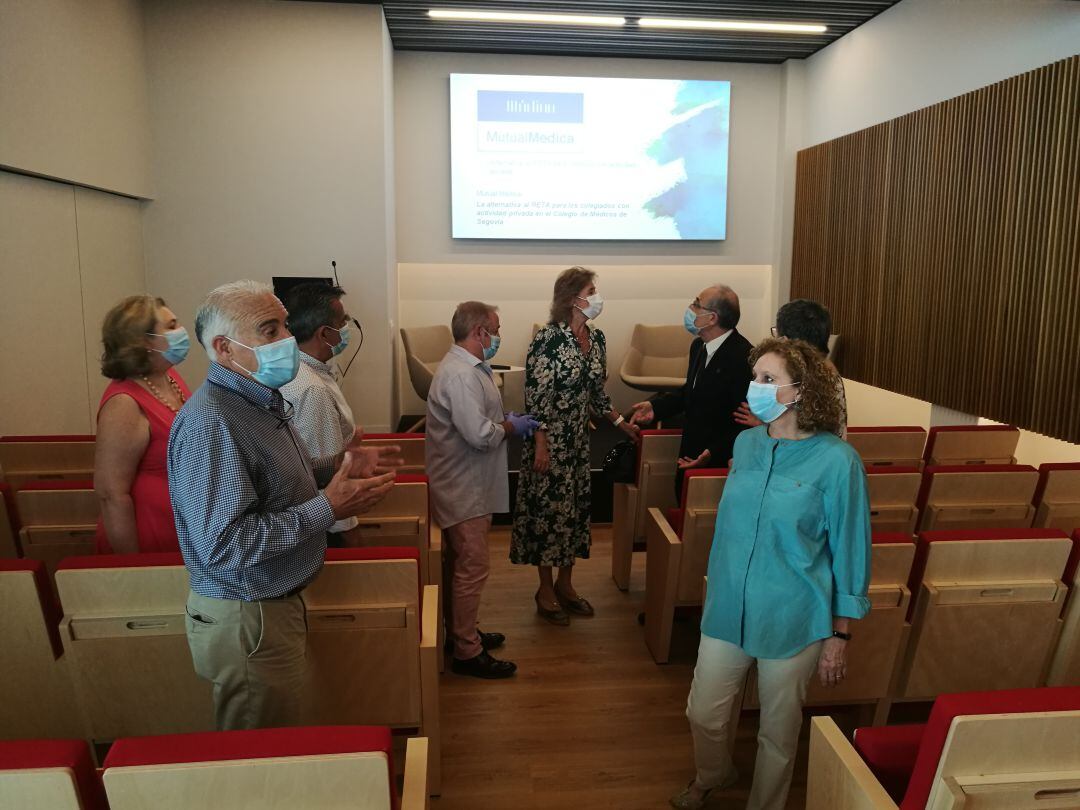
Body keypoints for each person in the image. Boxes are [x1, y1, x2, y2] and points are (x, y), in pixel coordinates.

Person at [169, 280, 400, 731]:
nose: (288, 342)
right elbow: (224, 545)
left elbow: (276, 481)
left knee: (280, 738)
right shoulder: (212, 420)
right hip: (247, 612)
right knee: (260, 759)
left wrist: (338, 465)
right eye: (269, 330)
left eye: (285, 328)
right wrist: (327, 508)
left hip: (269, 605)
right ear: (225, 349)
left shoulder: (255, 400)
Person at [671, 337, 871, 810]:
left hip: (794, 614)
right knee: (704, 713)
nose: (754, 387)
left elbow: (851, 549)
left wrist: (839, 635)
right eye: (754, 377)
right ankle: (714, 774)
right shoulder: (746, 443)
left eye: (767, 379)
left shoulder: (838, 461)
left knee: (777, 732)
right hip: (728, 607)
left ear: (800, 391)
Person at [511, 267, 639, 624]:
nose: (597, 296)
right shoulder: (547, 339)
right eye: (591, 290)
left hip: (579, 443)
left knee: (573, 515)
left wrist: (619, 422)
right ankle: (545, 588)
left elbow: (598, 393)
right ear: (572, 299)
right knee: (547, 516)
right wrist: (541, 444)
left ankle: (566, 585)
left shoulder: (596, 339)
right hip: (548, 442)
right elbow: (535, 397)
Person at [426, 301, 539, 679]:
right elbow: (479, 435)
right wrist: (510, 427)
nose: (498, 336)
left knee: (465, 565)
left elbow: (480, 420)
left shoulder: (470, 367)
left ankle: (463, 632)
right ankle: (466, 651)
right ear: (479, 332)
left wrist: (502, 420)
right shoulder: (460, 374)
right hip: (463, 485)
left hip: (469, 481)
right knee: (472, 566)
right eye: (496, 329)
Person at [628, 285, 752, 497]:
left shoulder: (743, 357)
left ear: (712, 318)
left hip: (717, 462)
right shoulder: (698, 346)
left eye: (696, 304)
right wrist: (655, 407)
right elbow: (690, 394)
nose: (690, 308)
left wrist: (712, 453)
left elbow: (743, 421)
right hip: (690, 451)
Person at [94, 295, 192, 554]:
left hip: (181, 526)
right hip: (147, 534)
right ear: (144, 341)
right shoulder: (124, 402)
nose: (180, 332)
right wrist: (133, 567)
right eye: (171, 327)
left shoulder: (169, 377)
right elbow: (111, 494)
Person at [279, 281, 363, 547]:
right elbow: (329, 482)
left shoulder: (305, 372)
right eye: (344, 321)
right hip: (325, 533)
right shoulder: (311, 389)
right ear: (326, 334)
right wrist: (355, 545)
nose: (348, 326)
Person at [735, 298, 848, 439]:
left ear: (785, 340)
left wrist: (764, 425)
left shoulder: (814, 375)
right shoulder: (825, 368)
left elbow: (804, 432)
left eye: (768, 379)